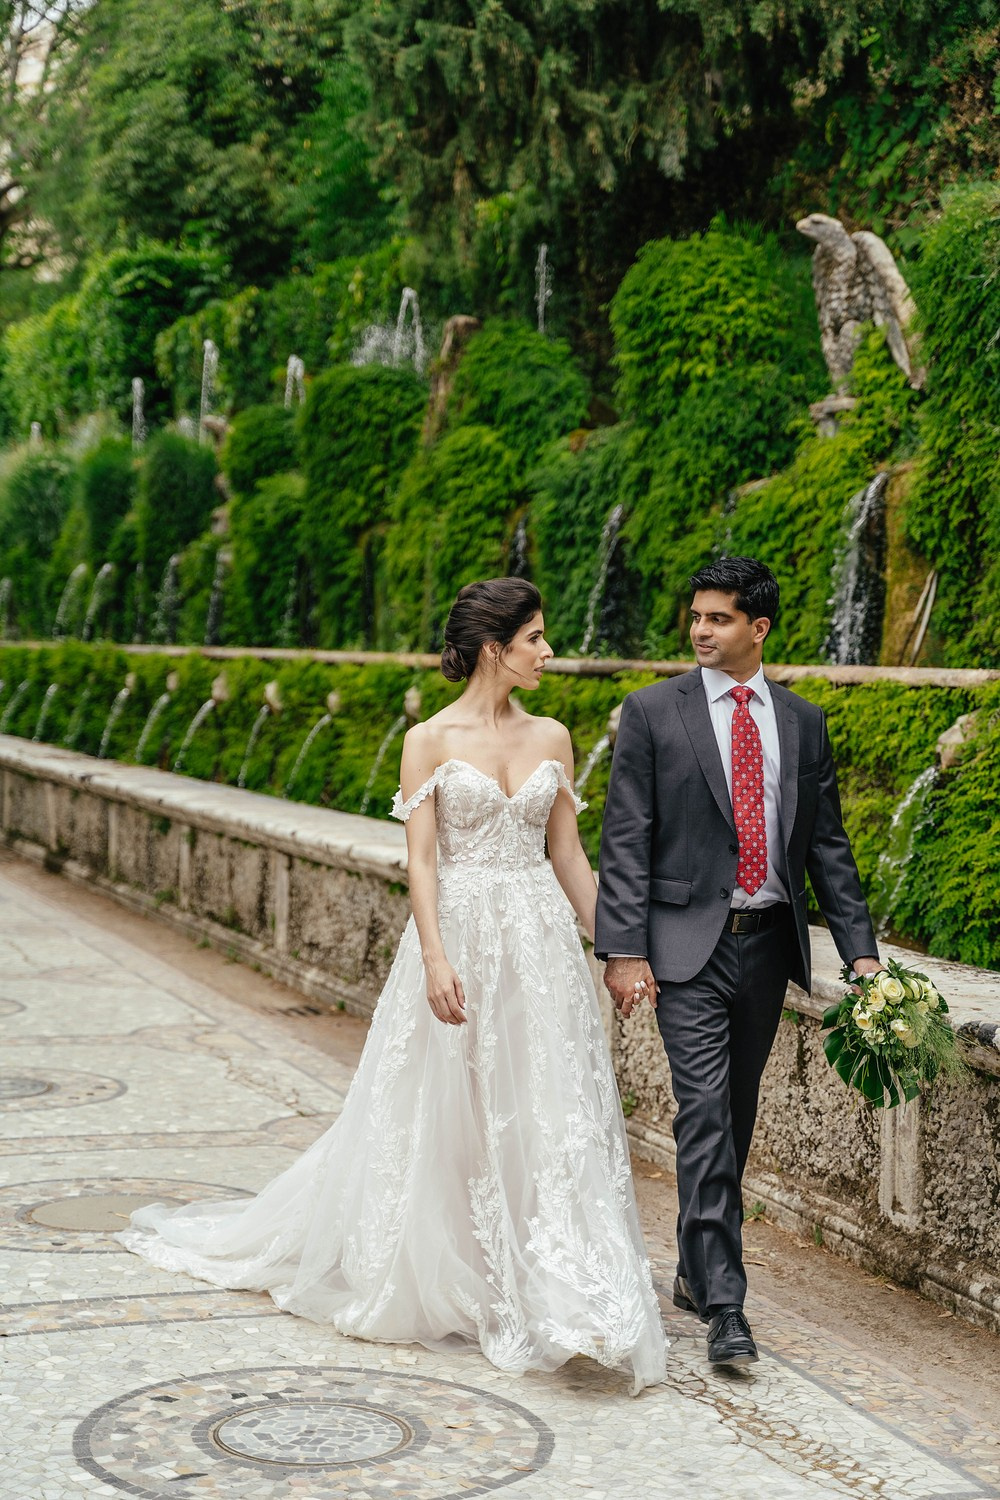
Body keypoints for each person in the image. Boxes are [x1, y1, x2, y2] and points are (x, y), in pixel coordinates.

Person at [117, 577, 668, 1395]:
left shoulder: (553, 735)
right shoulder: (427, 739)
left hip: (539, 946)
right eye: (535, 639)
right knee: (444, 1106)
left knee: (548, 1106)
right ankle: (454, 1267)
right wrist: (437, 958)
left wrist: (620, 951)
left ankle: (565, 1288)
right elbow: (423, 861)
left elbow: (568, 855)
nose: (549, 653)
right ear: (495, 649)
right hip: (460, 935)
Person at [595, 556, 881, 1369]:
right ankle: (727, 1306)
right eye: (696, 617)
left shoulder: (804, 722)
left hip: (768, 946)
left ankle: (694, 1266)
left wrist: (861, 956)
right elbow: (626, 838)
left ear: (759, 628)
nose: (700, 630)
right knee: (705, 1115)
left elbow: (828, 847)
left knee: (736, 1114)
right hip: (686, 949)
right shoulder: (653, 711)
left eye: (718, 618)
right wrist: (622, 949)